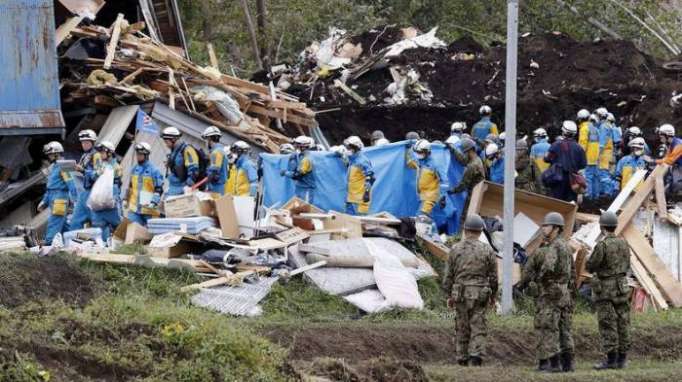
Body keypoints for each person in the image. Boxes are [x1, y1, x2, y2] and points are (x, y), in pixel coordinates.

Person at [517, 212, 575, 373]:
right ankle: (568, 365)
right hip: (563, 293)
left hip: (550, 292)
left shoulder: (554, 246)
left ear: (556, 228)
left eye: (547, 225)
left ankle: (553, 365)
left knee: (548, 327)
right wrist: (571, 292)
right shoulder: (566, 246)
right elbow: (573, 272)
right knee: (564, 328)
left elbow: (548, 266)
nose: (544, 228)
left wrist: (538, 280)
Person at [442, 214, 497, 367]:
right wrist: (494, 295)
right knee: (478, 325)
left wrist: (448, 295)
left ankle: (462, 357)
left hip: (459, 293)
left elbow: (448, 276)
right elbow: (493, 277)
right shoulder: (487, 250)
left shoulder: (455, 249)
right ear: (480, 232)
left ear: (465, 230)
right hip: (481, 293)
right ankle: (476, 357)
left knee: (462, 325)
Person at [586, 211, 631, 370]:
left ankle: (611, 360)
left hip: (606, 288)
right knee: (623, 321)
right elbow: (627, 264)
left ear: (602, 227)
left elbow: (591, 266)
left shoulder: (602, 245)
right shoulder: (624, 243)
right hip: (622, 286)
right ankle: (622, 359)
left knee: (607, 322)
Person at [39, 142, 78, 245]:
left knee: (55, 221)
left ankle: (48, 243)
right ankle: (76, 240)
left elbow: (71, 183)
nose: (49, 156)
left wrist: (76, 200)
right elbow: (50, 186)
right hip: (53, 197)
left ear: (57, 154)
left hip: (60, 198)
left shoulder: (65, 165)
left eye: (50, 154)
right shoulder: (55, 166)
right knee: (64, 224)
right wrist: (44, 201)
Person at [544, 121, 587, 202]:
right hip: (573, 181)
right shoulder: (579, 148)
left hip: (557, 178)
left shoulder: (556, 145)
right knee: (570, 204)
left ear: (563, 131)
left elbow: (546, 158)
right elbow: (582, 167)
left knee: (556, 203)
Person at [405, 139, 448, 217]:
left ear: (427, 152)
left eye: (420, 152)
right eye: (417, 152)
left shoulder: (435, 164)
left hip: (430, 198)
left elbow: (444, 182)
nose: (418, 154)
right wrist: (408, 150)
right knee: (425, 220)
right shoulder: (420, 161)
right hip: (421, 196)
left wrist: (443, 197)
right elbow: (409, 163)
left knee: (420, 217)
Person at [89, 141, 122, 242]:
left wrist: (113, 200)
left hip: (110, 203)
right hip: (99, 202)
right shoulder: (101, 165)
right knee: (98, 228)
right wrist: (97, 173)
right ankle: (102, 245)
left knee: (118, 226)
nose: (101, 154)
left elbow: (116, 186)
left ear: (109, 153)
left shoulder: (116, 167)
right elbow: (93, 177)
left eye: (102, 152)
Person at [125, 143, 163, 226]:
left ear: (146, 155)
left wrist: (154, 202)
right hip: (134, 209)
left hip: (148, 209)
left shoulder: (154, 170)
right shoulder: (134, 169)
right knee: (129, 231)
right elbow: (131, 186)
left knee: (149, 235)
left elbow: (159, 189)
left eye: (140, 154)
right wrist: (126, 198)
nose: (138, 156)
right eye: (137, 154)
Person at [70, 129, 101, 230]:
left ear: (92, 142)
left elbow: (98, 175)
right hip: (84, 192)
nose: (84, 144)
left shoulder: (97, 155)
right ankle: (74, 242)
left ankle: (104, 242)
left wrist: (83, 170)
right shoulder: (84, 156)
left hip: (94, 192)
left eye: (87, 142)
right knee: (75, 220)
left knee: (97, 220)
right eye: (82, 142)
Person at [448, 138, 485, 216]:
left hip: (474, 196)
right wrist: (453, 149)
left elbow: (463, 185)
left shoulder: (472, 166)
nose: (464, 154)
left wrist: (452, 191)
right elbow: (463, 160)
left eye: (464, 152)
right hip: (477, 193)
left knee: (466, 216)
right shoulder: (477, 159)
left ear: (469, 151)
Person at [162, 127, 200, 197]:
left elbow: (194, 170)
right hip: (173, 187)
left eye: (166, 142)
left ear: (173, 139)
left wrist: (188, 186)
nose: (166, 145)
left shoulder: (187, 150)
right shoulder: (174, 151)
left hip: (182, 188)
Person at [342, 136, 375, 215]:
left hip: (359, 201)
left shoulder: (362, 161)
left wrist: (366, 193)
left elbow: (371, 177)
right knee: (349, 223)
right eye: (347, 147)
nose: (347, 150)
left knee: (359, 224)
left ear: (355, 148)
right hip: (350, 199)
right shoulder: (352, 160)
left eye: (349, 147)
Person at [281, 135, 315, 203]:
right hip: (301, 188)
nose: (296, 147)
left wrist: (286, 173)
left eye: (297, 145)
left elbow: (298, 176)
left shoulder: (306, 159)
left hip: (306, 189)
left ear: (303, 146)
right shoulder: (303, 157)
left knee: (304, 210)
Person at [577, 109, 602, 199]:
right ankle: (596, 197)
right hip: (595, 158)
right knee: (595, 178)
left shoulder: (584, 129)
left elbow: (582, 145)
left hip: (587, 158)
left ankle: (588, 197)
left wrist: (579, 158)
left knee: (587, 178)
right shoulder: (595, 128)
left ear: (580, 119)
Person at [201, 126, 229, 197]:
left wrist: (204, 181)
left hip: (217, 188)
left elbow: (214, 171)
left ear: (209, 139)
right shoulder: (220, 151)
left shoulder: (216, 152)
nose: (206, 142)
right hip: (219, 187)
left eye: (206, 139)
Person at [597, 108, 616, 196]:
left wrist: (596, 156)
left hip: (604, 155)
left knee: (603, 175)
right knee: (607, 174)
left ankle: (608, 194)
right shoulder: (609, 126)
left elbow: (601, 144)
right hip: (609, 154)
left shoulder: (603, 127)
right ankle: (607, 192)